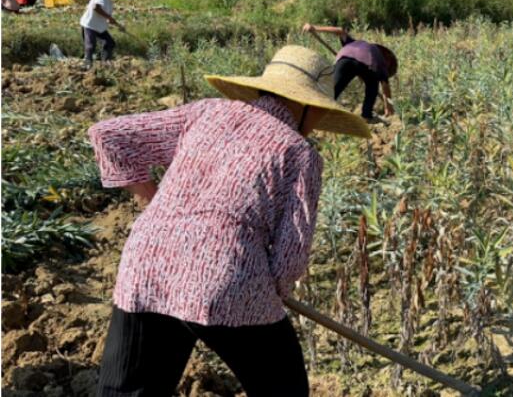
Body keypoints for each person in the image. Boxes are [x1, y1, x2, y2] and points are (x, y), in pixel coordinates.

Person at [89, 45, 370, 396]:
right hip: (226, 279)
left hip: (146, 267)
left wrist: (154, 200)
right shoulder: (299, 153)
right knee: (283, 390)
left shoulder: (207, 111)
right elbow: (290, 257)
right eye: (321, 113)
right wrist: (274, 292)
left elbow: (108, 135)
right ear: (307, 106)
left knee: (129, 391)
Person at [302, 23, 397, 123]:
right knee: (372, 86)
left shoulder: (353, 43)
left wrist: (315, 28)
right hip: (366, 65)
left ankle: (316, 113)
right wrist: (388, 107)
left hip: (344, 59)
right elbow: (385, 86)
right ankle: (366, 115)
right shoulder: (380, 59)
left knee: (332, 90)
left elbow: (340, 31)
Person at [80, 0, 130, 69]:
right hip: (90, 24)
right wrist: (109, 17)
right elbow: (96, 7)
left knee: (110, 43)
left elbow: (106, 17)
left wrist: (117, 25)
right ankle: (87, 64)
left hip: (99, 27)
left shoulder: (109, 2)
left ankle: (105, 62)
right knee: (90, 46)